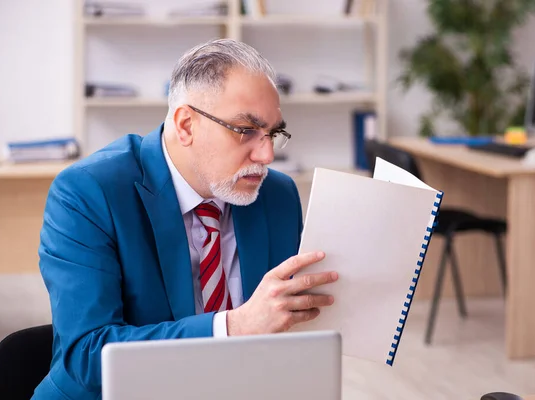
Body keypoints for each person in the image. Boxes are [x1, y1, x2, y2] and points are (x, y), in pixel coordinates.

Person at [33, 38, 338, 399]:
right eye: (246, 130)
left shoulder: (277, 195)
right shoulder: (87, 193)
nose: (267, 154)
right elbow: (85, 356)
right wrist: (234, 326)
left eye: (273, 133)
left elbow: (289, 336)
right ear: (186, 125)